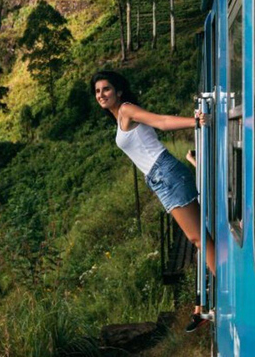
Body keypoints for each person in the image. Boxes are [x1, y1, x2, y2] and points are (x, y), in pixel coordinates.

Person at [91, 70, 215, 332]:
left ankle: (227, 295)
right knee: (198, 238)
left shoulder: (126, 109)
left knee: (198, 239)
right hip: (161, 179)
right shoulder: (119, 117)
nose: (101, 94)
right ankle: (206, 303)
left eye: (106, 89)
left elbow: (162, 121)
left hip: (166, 173)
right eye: (98, 91)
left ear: (119, 91)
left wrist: (194, 121)